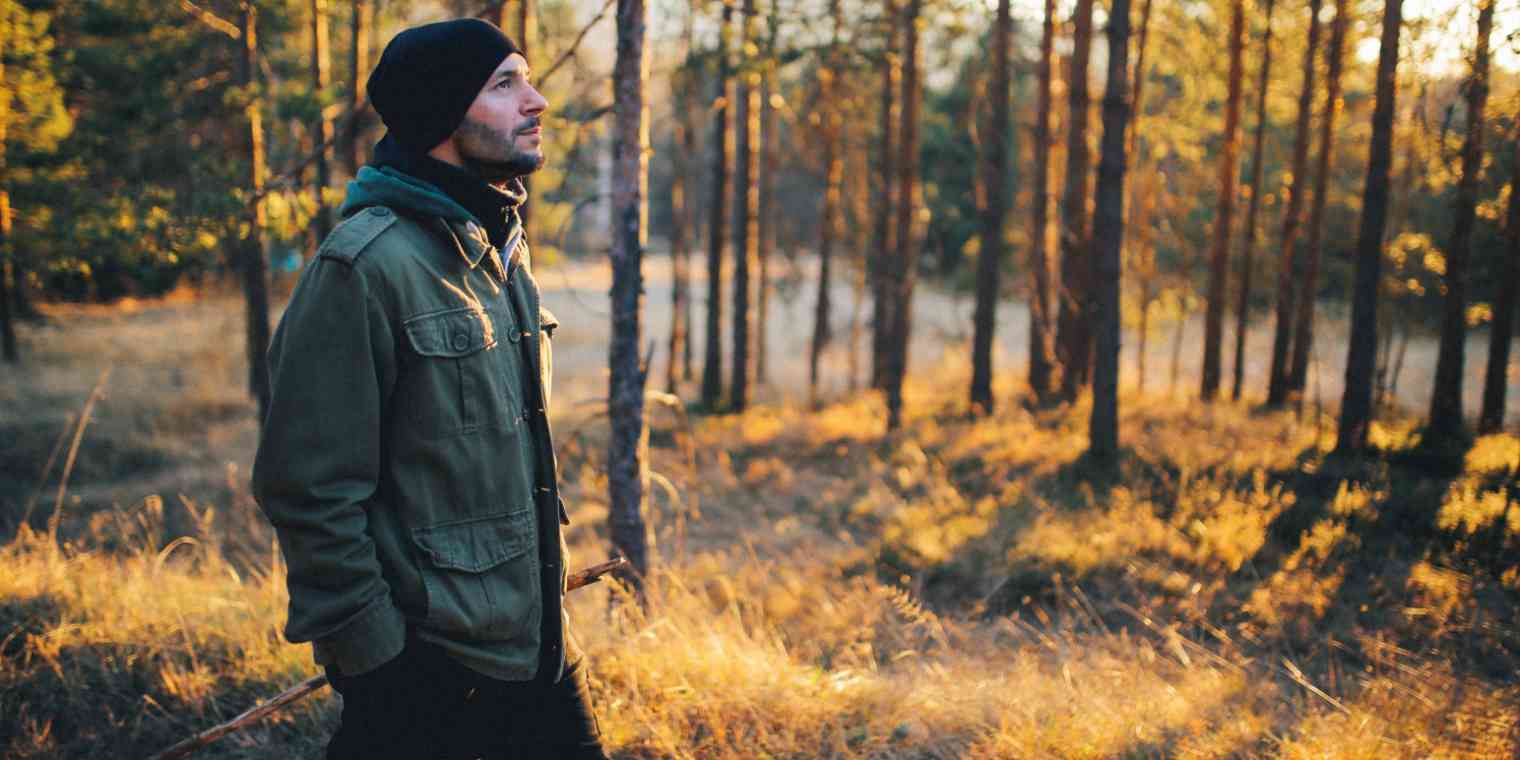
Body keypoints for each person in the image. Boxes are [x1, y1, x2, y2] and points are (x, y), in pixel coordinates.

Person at [251, 18, 608, 760]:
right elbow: (307, 487)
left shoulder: (498, 248)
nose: (537, 101)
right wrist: (380, 663)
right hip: (429, 671)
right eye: (505, 84)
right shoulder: (364, 268)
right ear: (444, 112)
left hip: (534, 649)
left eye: (528, 78)